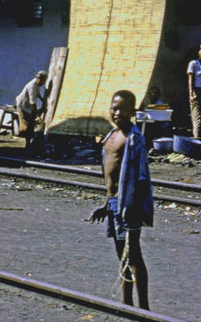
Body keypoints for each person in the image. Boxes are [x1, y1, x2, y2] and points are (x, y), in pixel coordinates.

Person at [89, 90, 152, 310]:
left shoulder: (135, 139)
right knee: (121, 255)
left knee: (133, 254)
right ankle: (126, 304)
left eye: (122, 109)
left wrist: (135, 208)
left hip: (129, 205)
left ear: (132, 112)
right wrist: (106, 205)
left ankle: (143, 308)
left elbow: (142, 177)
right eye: (114, 108)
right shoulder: (111, 136)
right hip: (114, 203)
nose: (117, 113)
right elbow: (112, 176)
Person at [16, 70, 48, 149]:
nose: (43, 83)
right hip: (23, 105)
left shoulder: (37, 84)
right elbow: (33, 103)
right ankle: (27, 144)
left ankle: (29, 143)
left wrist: (42, 100)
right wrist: (37, 116)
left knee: (31, 124)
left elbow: (37, 94)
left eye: (44, 81)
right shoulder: (32, 86)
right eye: (43, 81)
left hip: (29, 105)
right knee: (27, 125)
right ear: (38, 79)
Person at [187, 44, 201, 138]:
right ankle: (197, 139)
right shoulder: (194, 64)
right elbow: (190, 80)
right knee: (197, 118)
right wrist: (191, 94)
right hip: (197, 91)